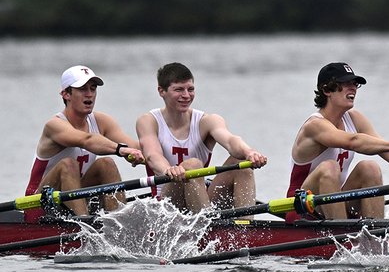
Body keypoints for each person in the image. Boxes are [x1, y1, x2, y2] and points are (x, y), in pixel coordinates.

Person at [135, 62, 268, 213]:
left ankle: (245, 229)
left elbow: (231, 141)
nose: (186, 95)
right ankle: (207, 225)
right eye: (179, 90)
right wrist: (169, 170)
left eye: (190, 89)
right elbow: (152, 156)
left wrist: (249, 152)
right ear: (161, 91)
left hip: (199, 196)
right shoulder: (148, 121)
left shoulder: (207, 121)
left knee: (242, 161)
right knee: (192, 164)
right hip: (166, 203)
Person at [287, 62, 389, 220]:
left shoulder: (355, 119)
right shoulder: (314, 126)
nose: (352, 88)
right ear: (326, 90)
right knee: (329, 167)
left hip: (334, 203)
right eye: (345, 84)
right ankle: (342, 235)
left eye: (354, 84)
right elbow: (353, 141)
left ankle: (376, 237)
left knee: (370, 168)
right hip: (301, 208)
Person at [23, 65, 146, 221]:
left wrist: (170, 164)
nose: (89, 95)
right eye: (82, 89)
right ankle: (85, 227)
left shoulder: (102, 121)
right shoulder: (54, 126)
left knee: (106, 164)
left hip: (72, 199)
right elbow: (87, 140)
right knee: (68, 164)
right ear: (65, 94)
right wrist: (120, 150)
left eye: (93, 89)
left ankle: (120, 224)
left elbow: (136, 147)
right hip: (37, 206)